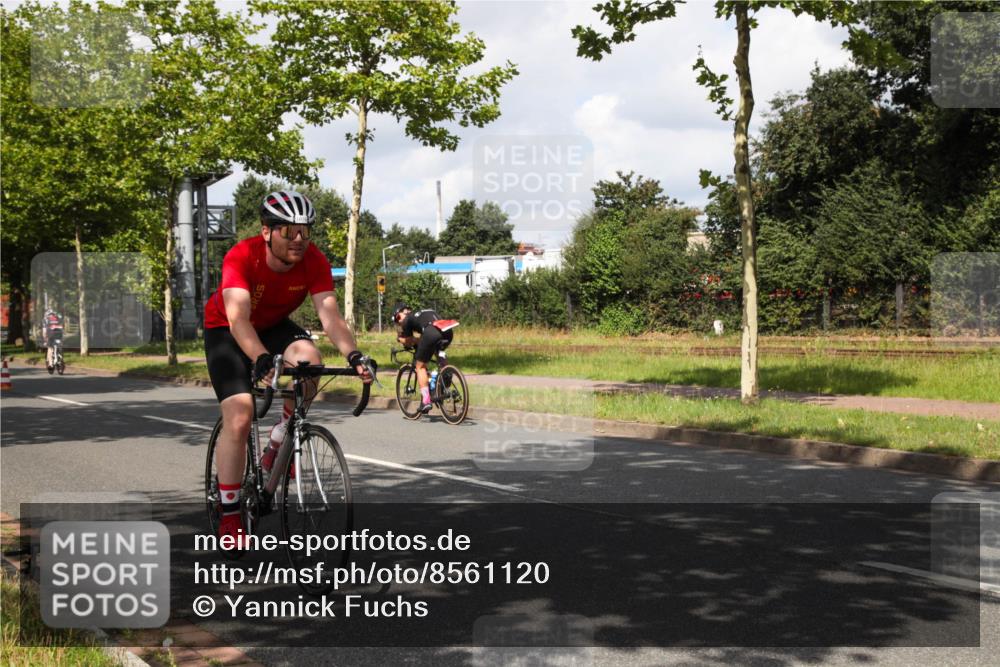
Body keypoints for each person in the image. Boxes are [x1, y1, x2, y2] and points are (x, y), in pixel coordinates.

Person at [203, 190, 371, 546]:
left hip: (273, 324)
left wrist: (354, 355)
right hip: (228, 330)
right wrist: (261, 358)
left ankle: (282, 436)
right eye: (288, 231)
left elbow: (331, 317)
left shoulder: (314, 260)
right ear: (266, 231)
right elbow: (238, 319)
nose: (298, 240)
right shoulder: (241, 255)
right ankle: (231, 514)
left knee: (310, 363)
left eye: (305, 232)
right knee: (240, 414)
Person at [392, 303, 458, 413]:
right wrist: (419, 341)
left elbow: (409, 341)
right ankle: (445, 373)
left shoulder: (407, 320)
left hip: (431, 333)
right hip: (447, 331)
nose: (399, 322)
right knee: (439, 352)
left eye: (397, 319)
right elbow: (425, 335)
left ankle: (426, 401)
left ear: (400, 315)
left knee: (420, 366)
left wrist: (400, 339)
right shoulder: (422, 313)